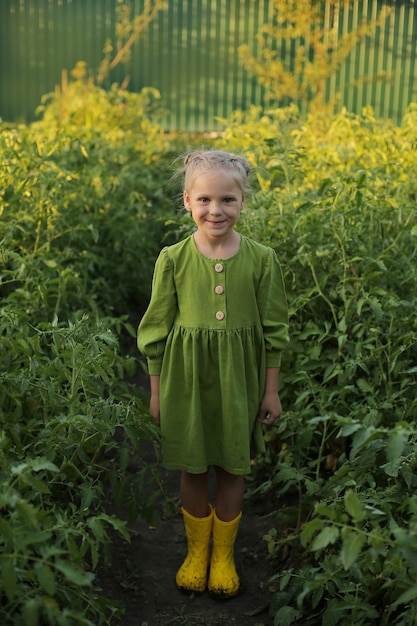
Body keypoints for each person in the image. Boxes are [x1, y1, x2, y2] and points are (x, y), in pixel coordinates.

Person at [137, 149, 289, 599]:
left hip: (239, 382)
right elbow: (156, 331)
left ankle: (223, 556)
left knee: (232, 467)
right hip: (186, 382)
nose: (215, 210)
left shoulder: (262, 260)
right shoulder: (174, 259)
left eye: (227, 200)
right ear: (187, 201)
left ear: (243, 202)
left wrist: (271, 392)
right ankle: (195, 552)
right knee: (192, 467)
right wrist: (157, 393)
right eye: (204, 200)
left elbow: (275, 329)